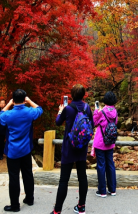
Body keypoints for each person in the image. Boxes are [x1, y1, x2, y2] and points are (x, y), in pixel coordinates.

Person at [0, 90, 43, 212]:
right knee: (27, 174)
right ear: (24, 99)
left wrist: (8, 104)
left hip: (13, 150)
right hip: (26, 149)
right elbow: (39, 109)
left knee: (14, 177)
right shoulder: (29, 112)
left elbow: (0, 116)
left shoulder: (9, 115)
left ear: (13, 100)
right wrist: (29, 101)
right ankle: (29, 198)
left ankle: (15, 205)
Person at [52, 84, 94, 215]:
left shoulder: (68, 108)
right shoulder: (87, 108)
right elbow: (92, 125)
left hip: (69, 147)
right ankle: (81, 206)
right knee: (82, 177)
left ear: (71, 95)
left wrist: (60, 110)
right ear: (84, 95)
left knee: (64, 180)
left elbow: (58, 122)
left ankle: (57, 210)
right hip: (81, 147)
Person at [93, 91, 118, 199]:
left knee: (101, 165)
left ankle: (102, 191)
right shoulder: (115, 112)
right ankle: (112, 189)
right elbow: (115, 123)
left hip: (100, 142)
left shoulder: (102, 112)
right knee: (110, 164)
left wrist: (96, 111)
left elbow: (94, 122)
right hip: (110, 142)